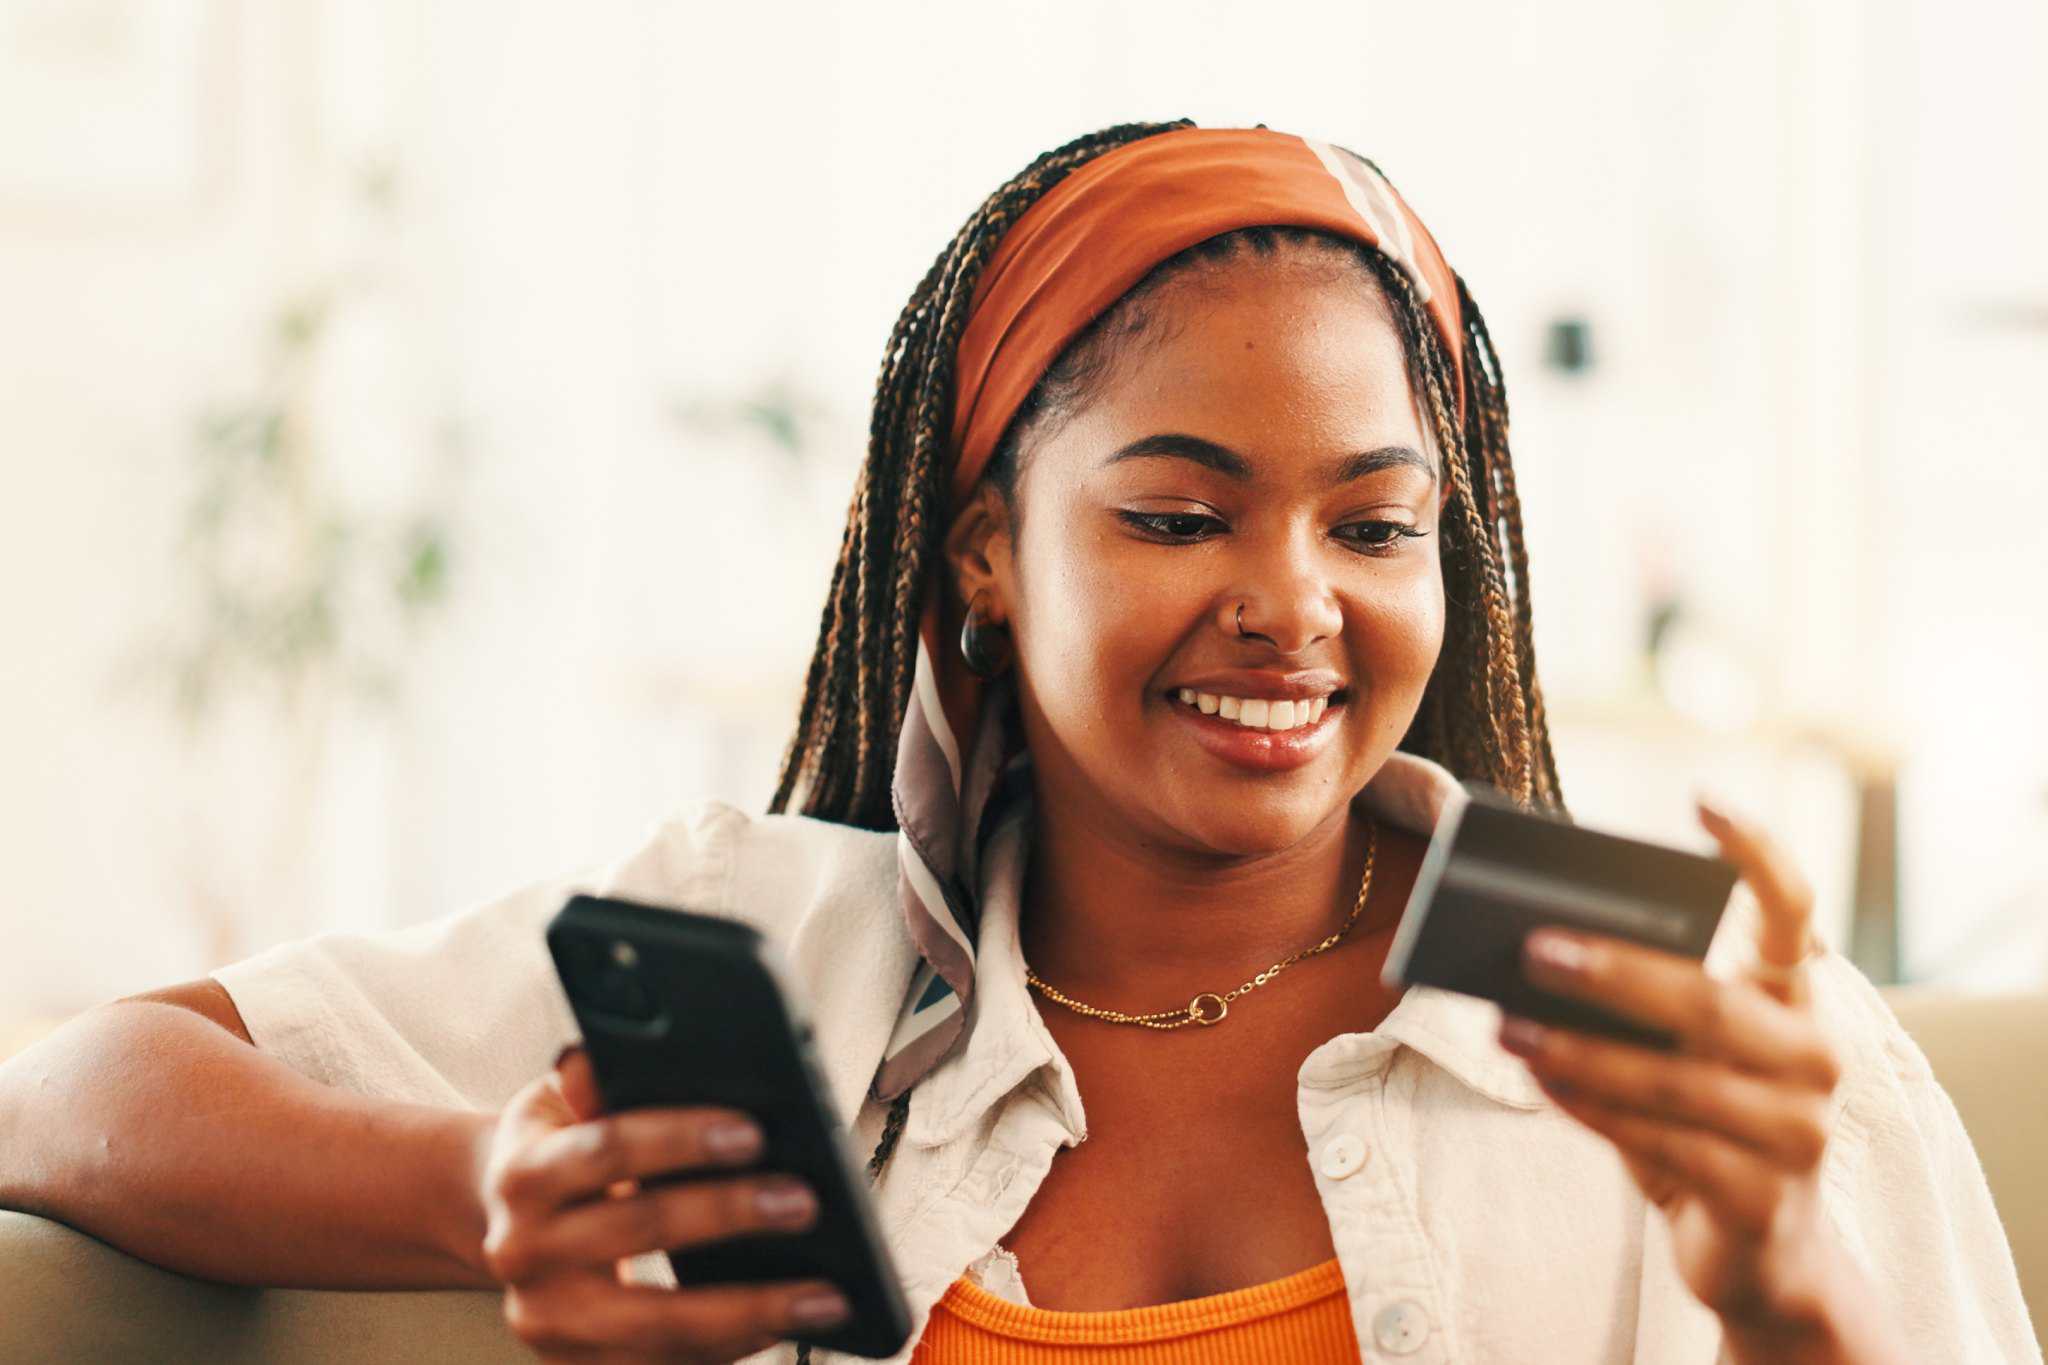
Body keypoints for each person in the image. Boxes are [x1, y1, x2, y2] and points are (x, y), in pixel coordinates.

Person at [1, 120, 2036, 1365]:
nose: (1294, 603)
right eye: (1179, 513)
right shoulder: (770, 943)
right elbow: (67, 1090)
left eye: (1374, 525)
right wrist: (478, 1182)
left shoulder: (1677, 1002)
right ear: (984, 549)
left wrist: (1786, 1301)